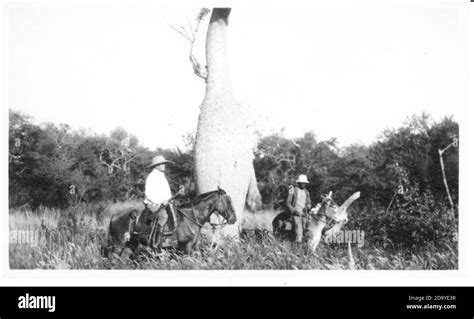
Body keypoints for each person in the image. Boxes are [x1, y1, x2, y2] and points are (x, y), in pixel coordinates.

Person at [143, 155, 176, 248]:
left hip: (164, 203)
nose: (164, 165)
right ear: (156, 166)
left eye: (164, 164)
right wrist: (161, 201)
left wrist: (170, 200)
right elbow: (149, 193)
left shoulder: (162, 176)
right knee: (163, 217)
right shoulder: (152, 177)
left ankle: (169, 239)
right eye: (161, 164)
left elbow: (166, 192)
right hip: (153, 203)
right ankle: (156, 242)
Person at [286, 174, 312, 243]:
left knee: (306, 230)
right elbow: (288, 202)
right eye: (301, 182)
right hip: (296, 214)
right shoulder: (293, 190)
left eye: (304, 183)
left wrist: (308, 207)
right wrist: (293, 211)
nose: (303, 184)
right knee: (299, 230)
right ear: (298, 183)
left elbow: (309, 202)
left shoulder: (306, 192)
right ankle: (297, 245)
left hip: (304, 214)